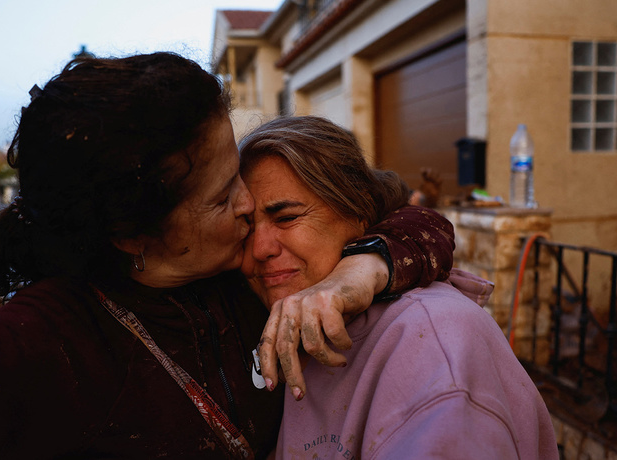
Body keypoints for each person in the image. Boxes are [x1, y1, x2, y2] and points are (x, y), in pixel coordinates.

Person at [0, 54, 454, 459]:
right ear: (130, 235)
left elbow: (416, 219)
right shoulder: (44, 341)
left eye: (237, 174)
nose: (246, 205)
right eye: (221, 197)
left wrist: (360, 270)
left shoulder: (241, 271)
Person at [239, 116, 559, 459]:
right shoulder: (253, 310)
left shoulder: (434, 347)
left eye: (286, 218)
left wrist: (363, 266)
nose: (260, 248)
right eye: (244, 225)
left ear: (358, 210)